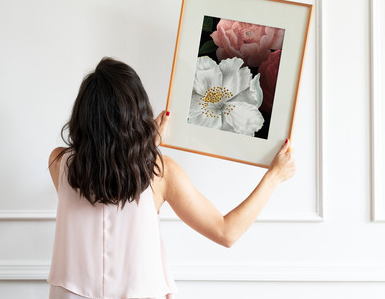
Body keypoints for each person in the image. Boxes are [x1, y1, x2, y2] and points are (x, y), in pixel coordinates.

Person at [46, 57, 296, 299]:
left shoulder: (58, 163)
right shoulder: (161, 173)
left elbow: (106, 182)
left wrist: (147, 147)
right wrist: (273, 177)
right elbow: (226, 232)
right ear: (137, 114)